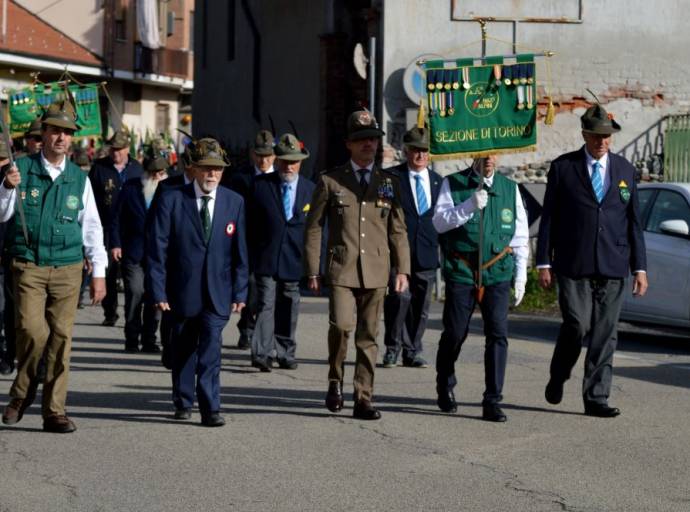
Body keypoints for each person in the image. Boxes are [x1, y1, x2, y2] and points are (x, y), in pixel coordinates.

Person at [0, 101, 107, 433]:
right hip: (29, 265)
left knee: (61, 340)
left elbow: (91, 226)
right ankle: (22, 393)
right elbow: (2, 215)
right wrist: (6, 187)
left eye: (67, 133)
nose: (61, 138)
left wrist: (99, 272)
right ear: (43, 134)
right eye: (55, 131)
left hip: (68, 267)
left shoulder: (79, 178)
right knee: (33, 332)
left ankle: (53, 411)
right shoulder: (21, 169)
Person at [536, 104, 648, 418]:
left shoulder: (625, 170)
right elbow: (549, 219)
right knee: (577, 324)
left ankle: (596, 397)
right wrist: (543, 261)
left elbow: (633, 222)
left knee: (605, 332)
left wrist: (640, 268)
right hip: (574, 264)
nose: (602, 141)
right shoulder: (563, 168)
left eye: (607, 136)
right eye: (597, 135)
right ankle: (559, 373)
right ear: (585, 134)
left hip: (614, 264)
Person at [304, 110, 410, 420]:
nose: (368, 146)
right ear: (349, 144)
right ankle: (335, 380)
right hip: (342, 267)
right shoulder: (330, 180)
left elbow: (398, 228)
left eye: (373, 140)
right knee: (341, 326)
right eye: (362, 140)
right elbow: (313, 227)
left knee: (369, 336)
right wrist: (313, 269)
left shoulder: (389, 182)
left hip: (377, 269)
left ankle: (363, 397)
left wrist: (402, 268)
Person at [147, 137, 248, 427]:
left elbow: (241, 251)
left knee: (211, 351)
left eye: (217, 169)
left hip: (218, 292)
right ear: (193, 169)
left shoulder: (234, 201)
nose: (212, 175)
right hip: (181, 291)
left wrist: (241, 290)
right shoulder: (171, 198)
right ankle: (182, 399)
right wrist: (158, 289)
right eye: (206, 168)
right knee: (182, 348)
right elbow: (158, 249)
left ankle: (210, 408)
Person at [432, 154, 529, 422]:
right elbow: (439, 222)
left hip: (497, 270)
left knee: (498, 334)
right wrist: (468, 206)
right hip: (462, 270)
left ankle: (492, 400)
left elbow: (520, 237)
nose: (489, 159)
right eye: (483, 153)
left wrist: (520, 276)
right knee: (455, 332)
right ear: (474, 153)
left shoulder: (510, 189)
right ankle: (445, 382)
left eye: (494, 153)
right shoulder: (454, 183)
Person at [249, 133, 315, 372]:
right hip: (266, 256)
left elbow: (317, 229)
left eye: (294, 161)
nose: (289, 166)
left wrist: (314, 266)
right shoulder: (260, 187)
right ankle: (262, 353)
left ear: (301, 162)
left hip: (294, 259)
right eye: (285, 160)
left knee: (289, 303)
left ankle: (286, 352)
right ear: (277, 160)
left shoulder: (311, 190)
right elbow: (250, 224)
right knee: (265, 302)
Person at [382, 126, 442, 369]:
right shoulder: (390, 177)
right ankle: (392, 348)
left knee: (421, 305)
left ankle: (413, 349)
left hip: (427, 250)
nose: (420, 155)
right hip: (398, 252)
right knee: (398, 299)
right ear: (406, 151)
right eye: (416, 150)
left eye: (425, 151)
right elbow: (382, 213)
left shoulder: (438, 181)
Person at [110, 141, 168, 353]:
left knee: (155, 296)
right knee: (135, 292)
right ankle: (132, 337)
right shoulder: (131, 187)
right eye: (152, 172)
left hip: (160, 254)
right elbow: (116, 218)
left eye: (160, 172)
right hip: (133, 251)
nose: (156, 176)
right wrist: (115, 244)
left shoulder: (171, 190)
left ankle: (150, 339)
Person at [222, 129, 275, 350]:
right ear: (253, 154)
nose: (263, 160)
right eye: (259, 155)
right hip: (246, 240)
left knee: (271, 293)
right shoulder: (240, 178)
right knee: (251, 287)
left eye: (268, 156)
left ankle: (268, 336)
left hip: (272, 243)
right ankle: (247, 329)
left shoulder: (279, 177)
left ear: (274, 156)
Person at [89, 128, 144, 326]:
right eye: (113, 149)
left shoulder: (137, 168)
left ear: (127, 148)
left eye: (119, 149)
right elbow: (91, 198)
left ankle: (133, 315)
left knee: (131, 274)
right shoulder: (99, 168)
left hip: (130, 230)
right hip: (104, 227)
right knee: (108, 271)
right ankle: (110, 312)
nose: (116, 153)